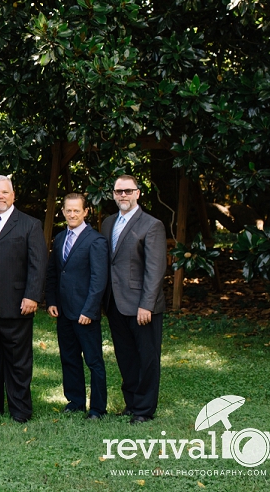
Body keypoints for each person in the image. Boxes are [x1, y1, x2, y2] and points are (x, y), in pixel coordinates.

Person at [0, 175, 47, 424]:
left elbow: (38, 264)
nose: (0, 197)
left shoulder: (29, 224)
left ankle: (20, 409)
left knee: (18, 361)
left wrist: (32, 295)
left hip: (16, 303)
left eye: (4, 192)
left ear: (13, 195)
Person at [101, 175, 166, 424]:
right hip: (115, 303)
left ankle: (144, 409)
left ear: (138, 193)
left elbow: (155, 269)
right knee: (126, 357)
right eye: (119, 191)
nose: (123, 196)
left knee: (147, 358)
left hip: (142, 305)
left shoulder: (152, 225)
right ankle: (131, 403)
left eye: (128, 191)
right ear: (114, 195)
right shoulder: (107, 224)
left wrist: (146, 304)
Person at [46, 193, 109, 420]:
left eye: (76, 210)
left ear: (85, 212)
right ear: (62, 212)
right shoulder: (60, 238)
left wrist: (90, 310)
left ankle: (98, 408)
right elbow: (54, 272)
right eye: (68, 210)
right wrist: (52, 301)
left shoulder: (96, 240)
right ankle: (75, 401)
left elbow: (98, 279)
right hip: (63, 311)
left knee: (93, 361)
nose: (72, 214)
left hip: (85, 313)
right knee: (69, 358)